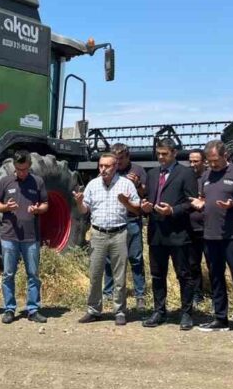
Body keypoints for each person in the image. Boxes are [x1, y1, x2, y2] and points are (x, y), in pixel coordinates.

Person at [190, 139, 233, 338]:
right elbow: (204, 198)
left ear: (225, 156)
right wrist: (199, 202)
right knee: (216, 278)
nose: (213, 165)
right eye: (209, 161)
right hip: (210, 234)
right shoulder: (206, 176)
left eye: (216, 161)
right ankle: (221, 318)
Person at [75, 152, 141, 325]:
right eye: (101, 166)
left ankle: (119, 311)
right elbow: (84, 210)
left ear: (116, 166)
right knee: (95, 274)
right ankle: (94, 310)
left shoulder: (126, 185)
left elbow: (137, 209)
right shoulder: (92, 184)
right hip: (98, 234)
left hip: (119, 233)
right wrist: (79, 202)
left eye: (107, 166)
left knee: (119, 275)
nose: (103, 169)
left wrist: (126, 203)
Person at [141, 138, 199, 329]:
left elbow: (191, 203)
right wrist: (145, 206)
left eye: (164, 154)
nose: (160, 157)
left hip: (178, 231)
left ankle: (186, 313)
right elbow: (148, 197)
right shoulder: (152, 173)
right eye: (158, 154)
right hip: (156, 232)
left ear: (174, 153)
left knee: (184, 274)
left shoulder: (186, 173)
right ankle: (159, 311)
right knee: (157, 274)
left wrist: (173, 210)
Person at [0, 150, 49, 324]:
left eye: (24, 169)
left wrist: (39, 209)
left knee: (33, 274)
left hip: (31, 237)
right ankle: (9, 309)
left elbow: (46, 204)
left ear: (29, 166)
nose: (21, 173)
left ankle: (33, 309)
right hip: (9, 236)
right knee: (9, 274)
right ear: (14, 167)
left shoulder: (37, 182)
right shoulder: (5, 181)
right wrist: (5, 207)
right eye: (18, 169)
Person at [103, 143, 149, 312]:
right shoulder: (110, 169)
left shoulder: (138, 170)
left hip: (131, 220)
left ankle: (140, 295)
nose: (118, 162)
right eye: (115, 159)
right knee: (109, 259)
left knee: (135, 258)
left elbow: (145, 193)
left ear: (128, 157)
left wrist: (137, 185)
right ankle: (108, 293)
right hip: (113, 220)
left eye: (121, 159)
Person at [187, 149, 209, 306]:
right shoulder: (187, 177)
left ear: (204, 161)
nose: (193, 164)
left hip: (209, 227)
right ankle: (197, 294)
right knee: (193, 264)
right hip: (191, 226)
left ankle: (216, 295)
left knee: (213, 264)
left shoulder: (210, 177)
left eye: (196, 161)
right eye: (191, 161)